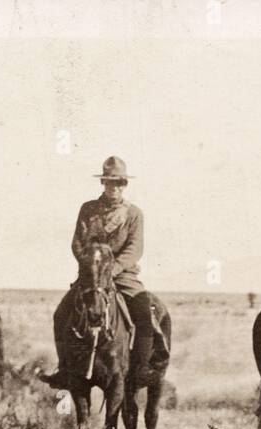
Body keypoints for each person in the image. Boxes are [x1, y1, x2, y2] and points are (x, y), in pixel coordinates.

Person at [49, 156, 171, 382]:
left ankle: (142, 370)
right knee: (61, 314)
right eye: (108, 182)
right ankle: (64, 368)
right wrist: (90, 266)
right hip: (92, 276)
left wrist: (112, 269)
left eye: (118, 183)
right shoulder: (88, 209)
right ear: (102, 183)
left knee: (144, 313)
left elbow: (135, 248)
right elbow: (78, 242)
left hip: (123, 275)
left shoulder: (133, 213)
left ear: (125, 185)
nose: (113, 187)